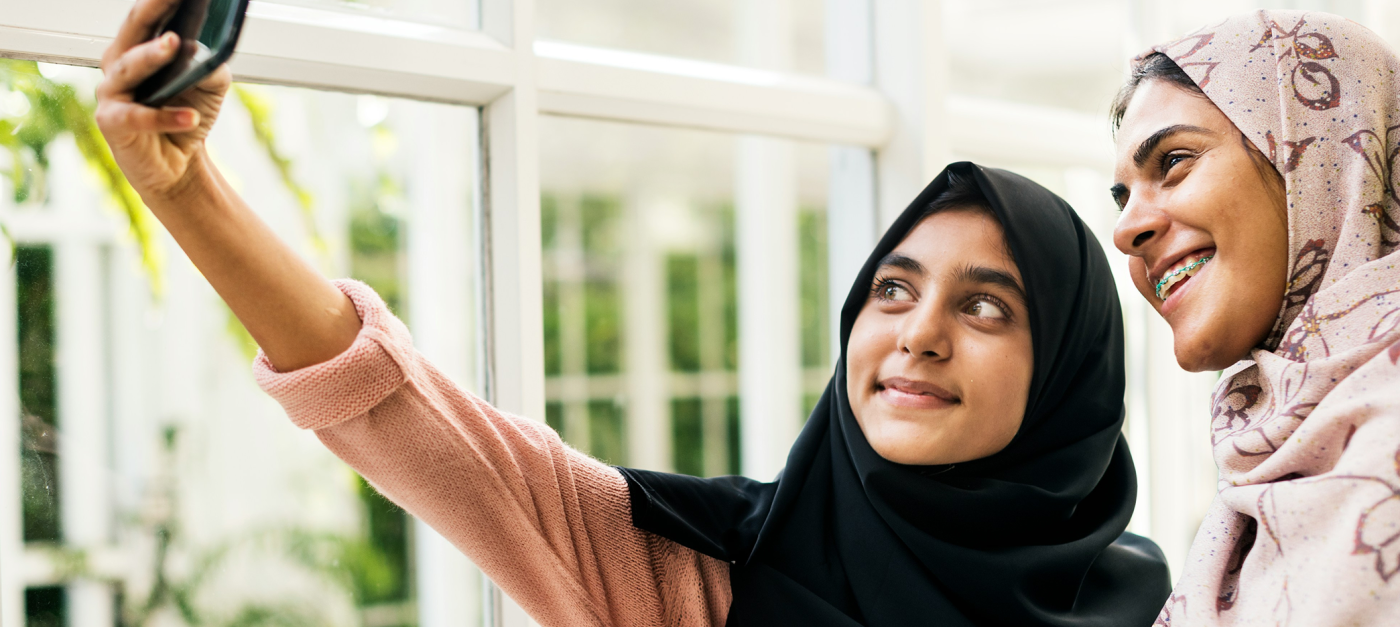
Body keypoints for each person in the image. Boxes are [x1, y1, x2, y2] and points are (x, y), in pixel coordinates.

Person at [95, 0, 1168, 624]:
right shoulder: (703, 581)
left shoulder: (1172, 605)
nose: (915, 331)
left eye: (986, 308)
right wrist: (185, 189)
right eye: (891, 288)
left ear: (1064, 374)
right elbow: (395, 407)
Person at [1110, 10, 1400, 624]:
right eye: (1123, 196)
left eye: (1173, 162)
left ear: (1320, 157)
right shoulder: (1279, 446)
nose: (1126, 230)